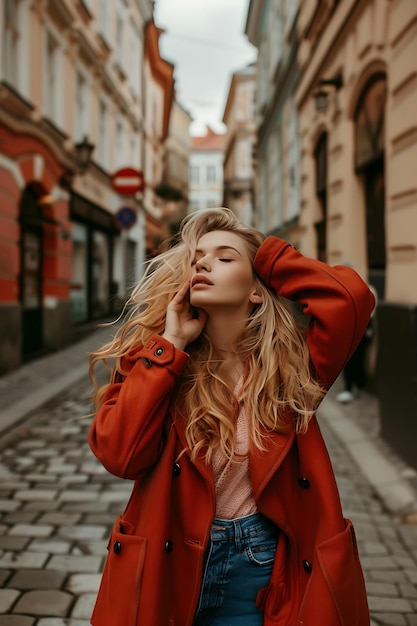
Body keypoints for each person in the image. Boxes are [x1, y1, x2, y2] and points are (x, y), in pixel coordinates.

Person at [88, 208, 375, 626]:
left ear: (258, 288)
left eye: (225, 258)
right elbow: (119, 454)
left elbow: (350, 299)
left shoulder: (293, 368)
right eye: (197, 258)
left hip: (258, 566)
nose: (204, 263)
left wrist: (271, 259)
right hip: (167, 562)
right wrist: (171, 344)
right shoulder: (156, 359)